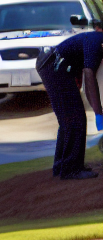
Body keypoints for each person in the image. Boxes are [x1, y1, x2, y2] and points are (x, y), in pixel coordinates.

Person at [38, 20, 103, 180]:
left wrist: (96, 109)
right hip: (54, 66)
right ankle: (71, 168)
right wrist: (98, 112)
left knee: (68, 119)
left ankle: (61, 165)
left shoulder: (94, 39)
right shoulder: (98, 42)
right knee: (76, 118)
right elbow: (89, 75)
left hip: (51, 63)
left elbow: (86, 75)